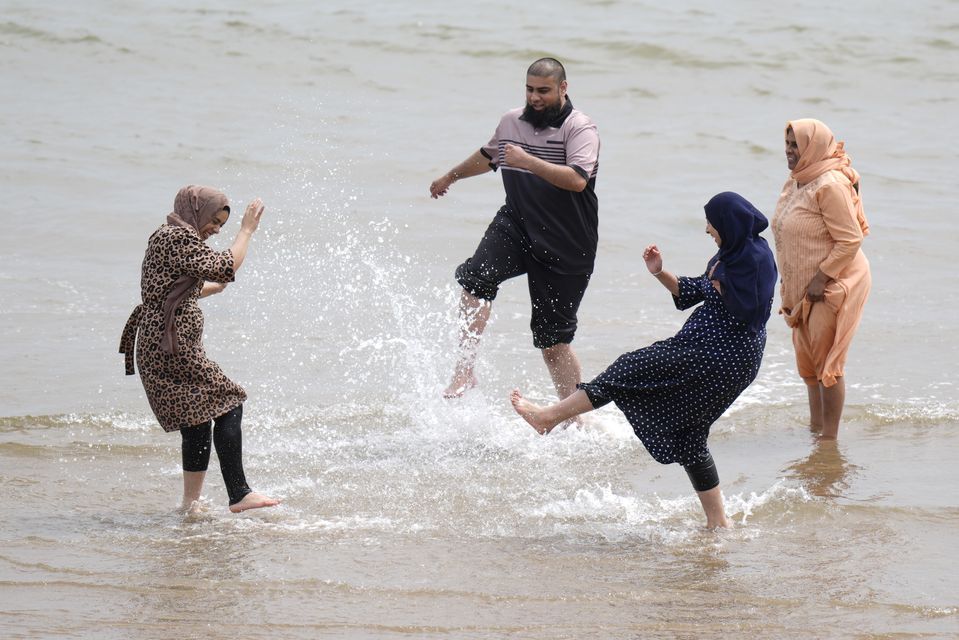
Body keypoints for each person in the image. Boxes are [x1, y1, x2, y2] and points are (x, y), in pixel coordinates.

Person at [510, 192, 778, 529]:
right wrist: (659, 272)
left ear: (729, 223)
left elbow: (750, 307)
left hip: (720, 356)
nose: (708, 231)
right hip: (712, 351)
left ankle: (547, 418)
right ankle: (718, 523)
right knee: (690, 433)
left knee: (628, 369)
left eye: (712, 225)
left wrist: (718, 290)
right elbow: (693, 290)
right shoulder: (733, 254)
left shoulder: (755, 259)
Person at [429, 57, 600, 400]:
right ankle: (464, 371)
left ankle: (571, 417)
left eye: (544, 91)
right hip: (517, 224)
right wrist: (451, 176)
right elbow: (489, 155)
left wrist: (527, 162)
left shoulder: (580, 129)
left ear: (563, 88)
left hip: (567, 241)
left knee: (553, 340)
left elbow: (577, 181)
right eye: (529, 90)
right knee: (475, 279)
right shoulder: (511, 121)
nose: (535, 98)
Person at [119, 185, 280, 514]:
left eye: (222, 225)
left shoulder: (166, 235)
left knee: (196, 420)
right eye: (214, 221)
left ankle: (190, 503)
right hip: (172, 348)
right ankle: (239, 493)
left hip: (161, 346)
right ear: (197, 212)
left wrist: (204, 290)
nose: (216, 229)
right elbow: (225, 265)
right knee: (229, 402)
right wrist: (246, 230)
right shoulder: (179, 237)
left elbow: (164, 291)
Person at [772, 119, 871, 440]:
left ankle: (829, 441)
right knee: (810, 367)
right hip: (801, 287)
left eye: (795, 144)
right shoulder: (797, 180)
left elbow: (850, 240)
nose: (789, 151)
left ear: (812, 146)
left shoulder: (829, 185)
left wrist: (820, 279)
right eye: (787, 144)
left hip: (831, 284)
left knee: (828, 367)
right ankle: (816, 429)